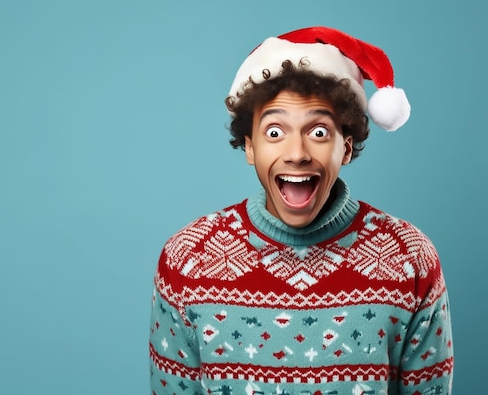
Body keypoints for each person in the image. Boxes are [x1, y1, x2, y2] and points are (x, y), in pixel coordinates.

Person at [149, 26, 453, 395]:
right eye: (275, 132)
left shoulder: (411, 260)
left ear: (346, 147)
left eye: (319, 132)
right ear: (249, 147)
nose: (296, 153)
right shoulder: (187, 261)